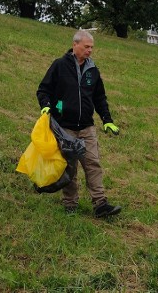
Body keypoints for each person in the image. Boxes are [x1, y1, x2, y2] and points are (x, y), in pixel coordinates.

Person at [36, 30, 122, 218]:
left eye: (92, 47)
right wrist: (46, 106)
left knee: (93, 164)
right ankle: (70, 205)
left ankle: (100, 204)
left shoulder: (93, 70)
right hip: (65, 128)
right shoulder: (59, 66)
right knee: (70, 167)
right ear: (75, 45)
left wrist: (107, 120)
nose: (90, 51)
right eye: (86, 47)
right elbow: (43, 90)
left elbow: (100, 98)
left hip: (87, 128)